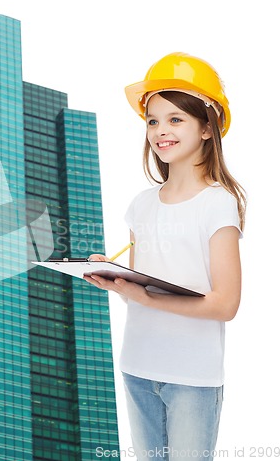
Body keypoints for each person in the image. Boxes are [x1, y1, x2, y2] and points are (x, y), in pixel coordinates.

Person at [84, 52, 246, 461]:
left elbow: (225, 304)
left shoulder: (217, 204)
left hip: (192, 375)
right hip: (137, 364)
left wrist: (146, 297)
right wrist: (114, 277)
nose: (160, 131)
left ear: (207, 128)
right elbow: (140, 289)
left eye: (176, 119)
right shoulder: (141, 205)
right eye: (153, 121)